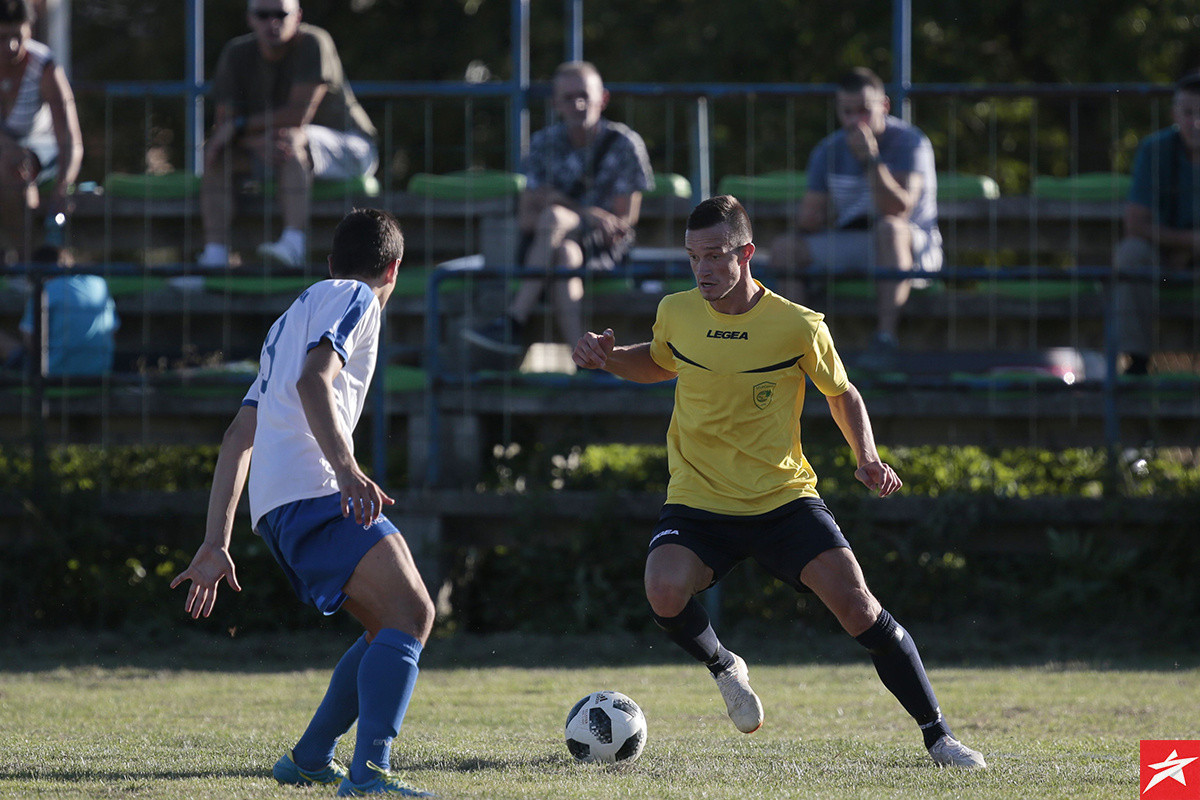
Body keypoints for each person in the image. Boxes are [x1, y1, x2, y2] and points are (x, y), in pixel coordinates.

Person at [573, 195, 986, 769]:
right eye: (694, 258)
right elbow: (660, 362)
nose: (704, 270)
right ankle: (724, 666)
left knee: (859, 609)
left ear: (746, 253)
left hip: (783, 500)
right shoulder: (677, 310)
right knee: (663, 591)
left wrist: (865, 456)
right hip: (698, 498)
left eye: (716, 256)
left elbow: (842, 393)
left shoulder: (797, 325)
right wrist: (608, 358)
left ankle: (939, 737)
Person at [171, 209, 437, 797]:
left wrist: (217, 541)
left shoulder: (287, 319)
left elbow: (239, 434)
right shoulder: (359, 298)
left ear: (329, 261)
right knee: (413, 614)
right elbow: (314, 381)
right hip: (316, 489)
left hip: (278, 506)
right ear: (394, 268)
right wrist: (347, 471)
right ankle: (370, 775)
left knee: (383, 627)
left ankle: (311, 758)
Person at [463, 60, 654, 355]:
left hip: (604, 249)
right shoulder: (543, 144)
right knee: (563, 251)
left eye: (584, 96)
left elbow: (621, 223)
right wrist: (588, 213)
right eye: (568, 97)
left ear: (602, 99)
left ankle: (513, 320)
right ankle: (586, 360)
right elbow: (527, 218)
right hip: (556, 245)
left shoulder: (624, 144)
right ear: (555, 103)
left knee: (552, 216)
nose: (578, 104)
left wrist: (557, 202)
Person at [768, 67, 940, 351]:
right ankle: (798, 347)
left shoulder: (911, 143)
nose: (854, 120)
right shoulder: (827, 150)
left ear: (884, 105)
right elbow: (810, 215)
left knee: (890, 229)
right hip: (854, 239)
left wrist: (870, 159)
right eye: (847, 112)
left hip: (913, 246)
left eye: (863, 110)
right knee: (785, 249)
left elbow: (897, 209)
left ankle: (885, 339)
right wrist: (812, 218)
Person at [197, 0, 378, 270]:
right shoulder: (235, 53)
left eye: (281, 14)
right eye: (263, 14)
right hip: (277, 149)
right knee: (217, 155)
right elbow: (223, 128)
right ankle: (215, 254)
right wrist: (250, 140)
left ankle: (293, 244)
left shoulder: (315, 41)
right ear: (250, 18)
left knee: (290, 140)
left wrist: (238, 130)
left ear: (298, 16)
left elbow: (297, 116)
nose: (273, 22)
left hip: (352, 150)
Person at [1113, 71, 1200, 376]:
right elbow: (1135, 225)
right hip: (1163, 255)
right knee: (1131, 254)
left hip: (1180, 251)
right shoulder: (1154, 149)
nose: (1196, 123)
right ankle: (1136, 361)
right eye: (1188, 112)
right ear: (1175, 113)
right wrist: (1189, 243)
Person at [0, 0, 82, 262]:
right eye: (2, 37)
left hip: (35, 153)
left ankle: (25, 266)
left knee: (12, 167)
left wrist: (63, 187)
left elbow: (70, 140)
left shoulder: (43, 65)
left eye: (18, 36)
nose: (12, 46)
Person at [0, 245, 118, 377]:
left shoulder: (45, 290)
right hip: (99, 373)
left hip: (52, 374)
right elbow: (112, 330)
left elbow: (30, 339)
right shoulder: (99, 283)